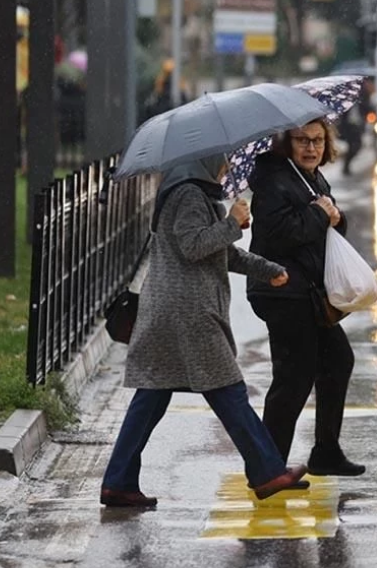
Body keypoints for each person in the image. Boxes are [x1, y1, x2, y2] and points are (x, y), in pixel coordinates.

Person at [101, 155, 309, 509]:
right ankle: (266, 472)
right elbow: (193, 246)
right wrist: (232, 222)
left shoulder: (195, 194)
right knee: (229, 392)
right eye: (224, 160)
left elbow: (222, 254)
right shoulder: (188, 195)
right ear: (205, 159)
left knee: (150, 399)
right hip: (189, 312)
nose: (228, 167)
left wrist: (268, 269)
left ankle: (118, 481)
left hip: (173, 309)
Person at [246, 119, 364, 477]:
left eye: (317, 140)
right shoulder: (272, 179)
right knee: (293, 377)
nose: (311, 148)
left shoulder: (307, 176)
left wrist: (335, 216)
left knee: (337, 361)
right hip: (281, 289)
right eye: (302, 140)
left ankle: (326, 452)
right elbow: (280, 234)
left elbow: (327, 225)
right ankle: (267, 467)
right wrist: (319, 213)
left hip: (307, 291)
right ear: (286, 142)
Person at [338, 77, 374, 176]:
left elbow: (368, 108)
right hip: (348, 125)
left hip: (357, 125)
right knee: (353, 145)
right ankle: (346, 166)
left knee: (357, 145)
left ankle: (346, 164)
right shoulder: (347, 97)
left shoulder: (363, 96)